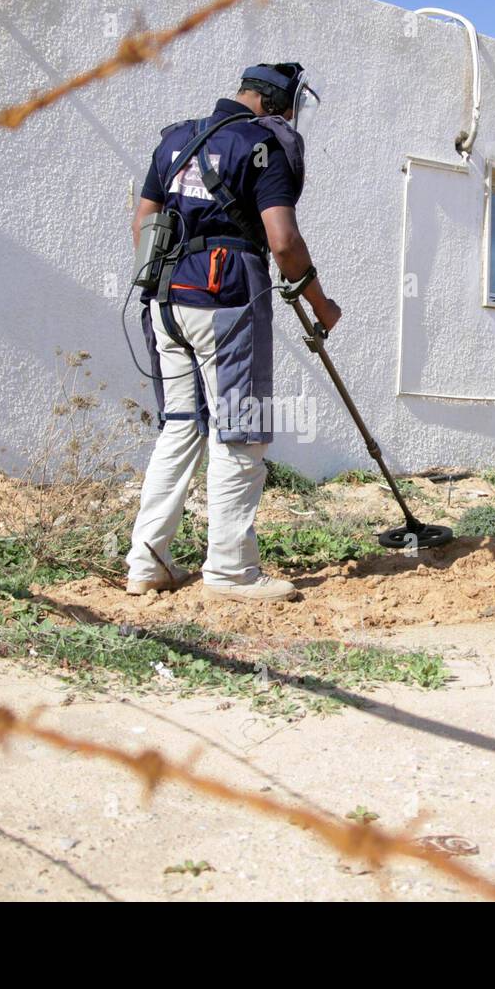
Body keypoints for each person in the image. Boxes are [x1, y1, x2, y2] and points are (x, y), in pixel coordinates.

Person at [125, 62, 340, 603]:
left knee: (180, 426)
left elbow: (142, 223)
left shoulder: (176, 138)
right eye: (291, 109)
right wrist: (322, 305)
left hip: (167, 301)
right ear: (274, 103)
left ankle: (147, 564)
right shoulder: (262, 146)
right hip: (225, 300)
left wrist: (177, 282)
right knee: (242, 432)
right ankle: (230, 571)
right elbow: (284, 242)